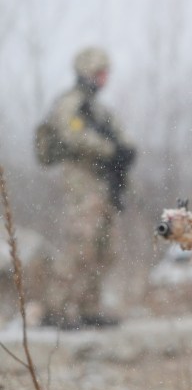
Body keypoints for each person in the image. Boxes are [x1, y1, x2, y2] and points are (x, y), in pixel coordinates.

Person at [40, 46, 136, 329]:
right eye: (99, 73)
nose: (104, 79)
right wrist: (110, 149)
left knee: (106, 247)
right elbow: (73, 134)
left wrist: (125, 149)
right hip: (82, 182)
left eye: (105, 74)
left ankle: (88, 306)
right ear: (85, 72)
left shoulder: (99, 108)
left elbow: (121, 136)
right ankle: (55, 308)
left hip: (105, 184)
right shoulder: (71, 104)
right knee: (80, 244)